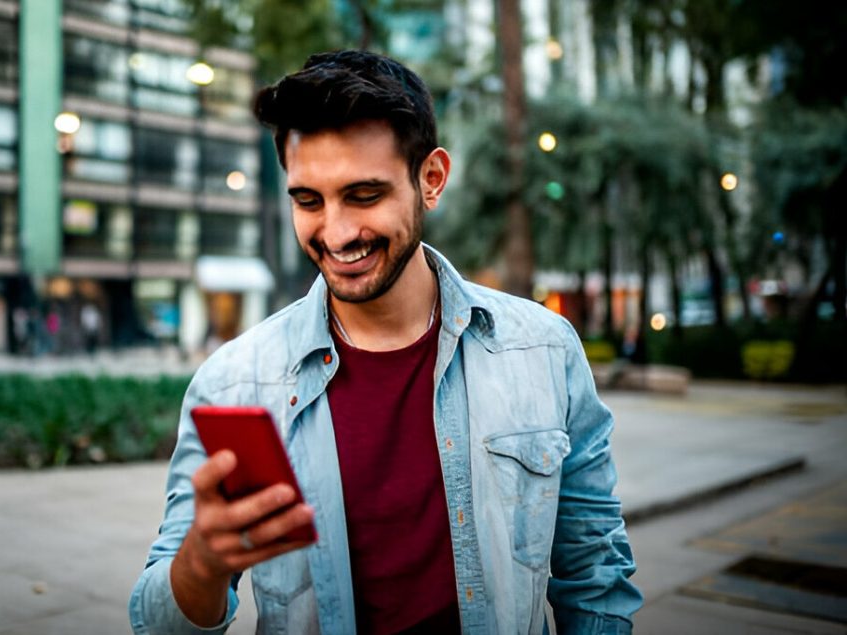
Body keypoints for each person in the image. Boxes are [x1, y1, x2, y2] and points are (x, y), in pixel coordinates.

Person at [130, 50, 641, 635]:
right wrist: (203, 562)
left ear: (431, 180)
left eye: (364, 195)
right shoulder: (235, 382)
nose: (338, 232)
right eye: (308, 201)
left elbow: (595, 576)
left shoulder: (544, 350)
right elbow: (155, 622)